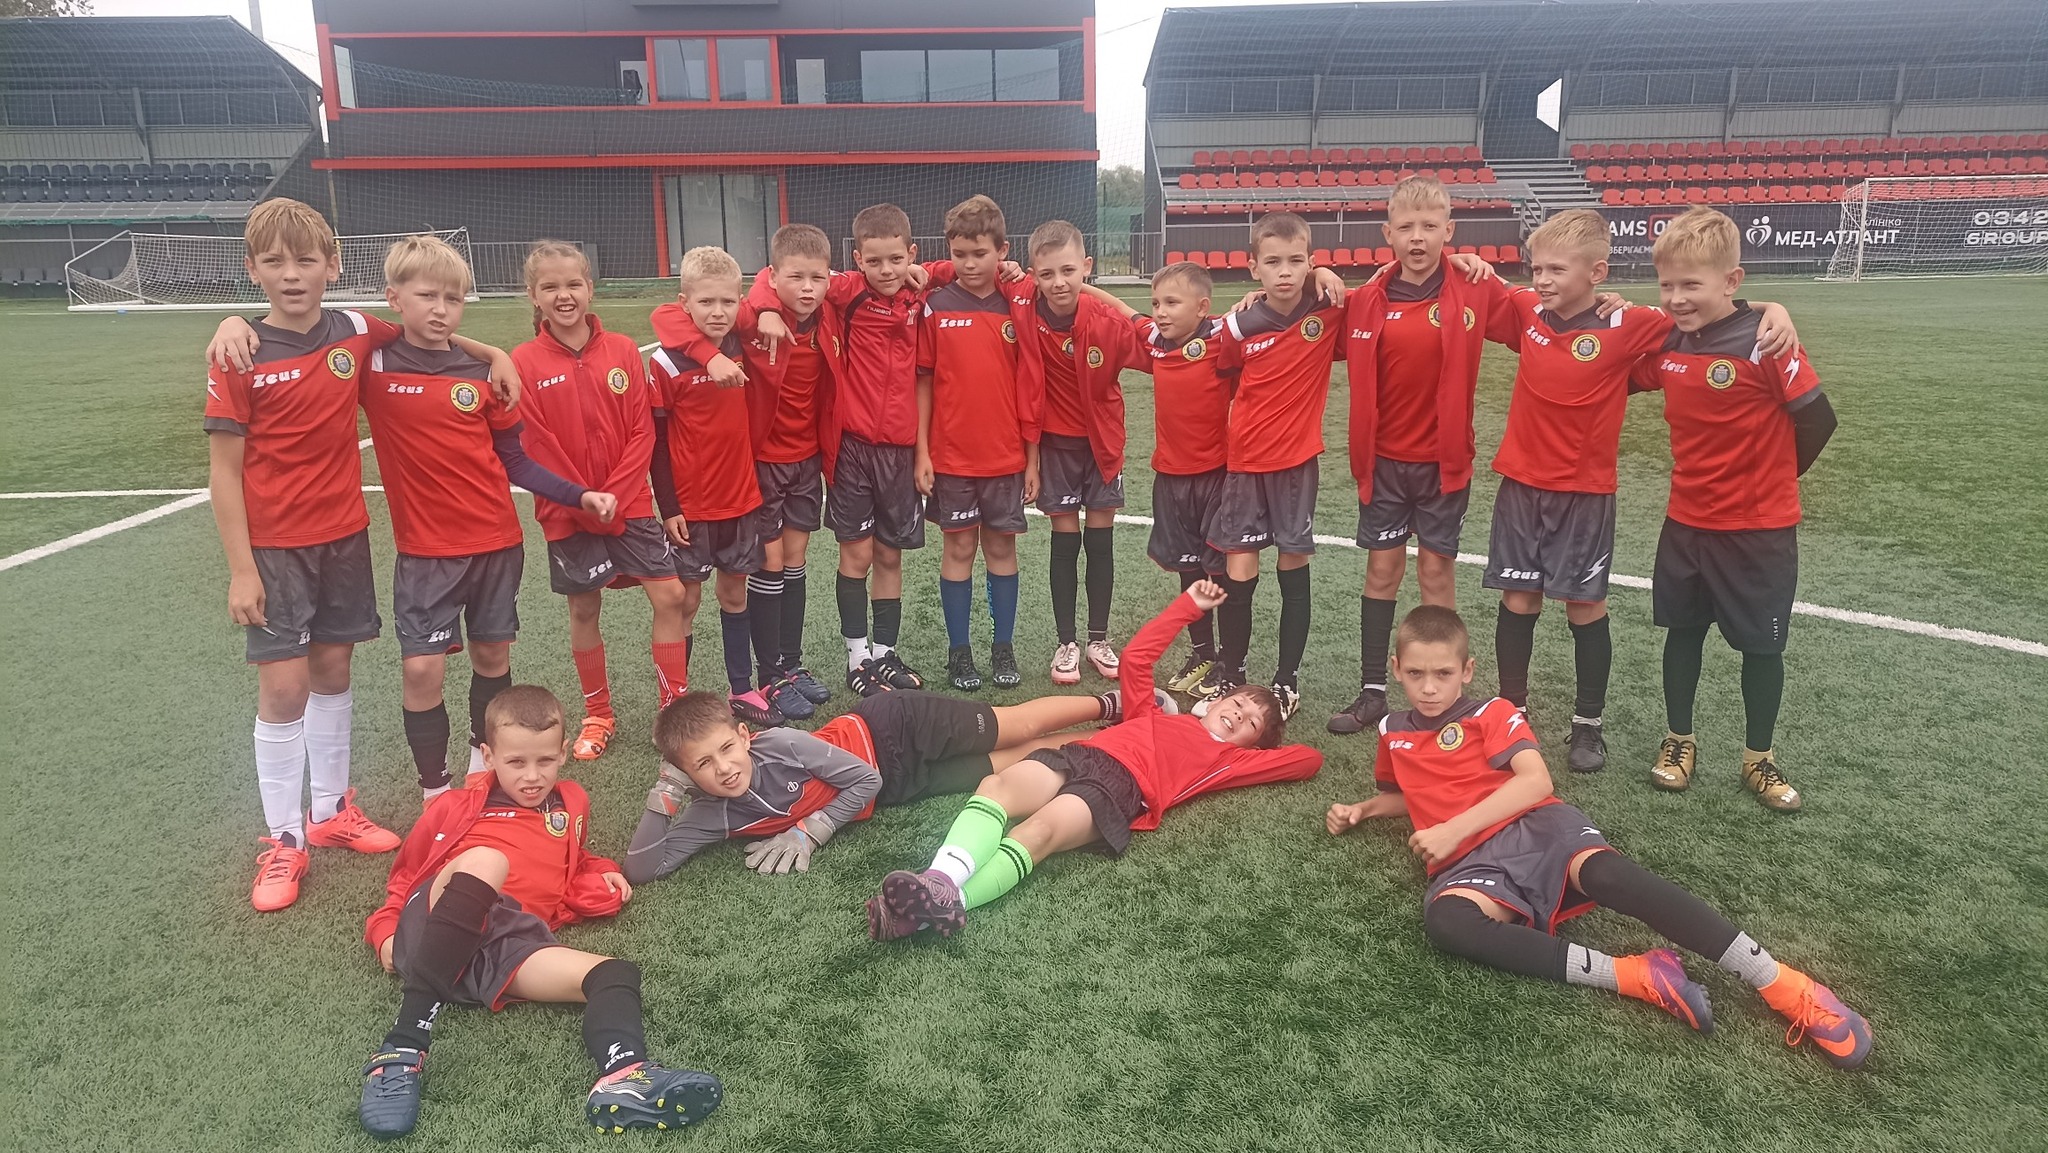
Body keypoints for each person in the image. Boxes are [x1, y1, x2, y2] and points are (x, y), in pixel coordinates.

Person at [1325, 605, 1871, 1069]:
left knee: (1610, 875)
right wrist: (1365, 809)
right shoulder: (1391, 731)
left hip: (1534, 826)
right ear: (1395, 669)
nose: (1428, 687)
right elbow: (1412, 795)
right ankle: (1636, 975)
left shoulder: (1491, 712)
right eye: (1416, 673)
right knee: (1446, 922)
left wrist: (1452, 829)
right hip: (1470, 862)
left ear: (1467, 671)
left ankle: (1781, 982)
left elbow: (1535, 781)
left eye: (1442, 673)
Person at [1482, 208, 1798, 772]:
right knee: (1518, 599)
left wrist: (1772, 308)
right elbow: (1471, 292)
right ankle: (1512, 713)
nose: (1543, 279)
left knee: (1585, 605)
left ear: (1597, 272)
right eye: (1537, 268)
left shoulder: (1633, 323)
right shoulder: (1526, 309)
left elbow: (1708, 317)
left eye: (1557, 269)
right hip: (1520, 485)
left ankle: (1587, 725)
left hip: (1585, 491)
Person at [357, 685, 722, 1139]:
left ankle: (625, 1075)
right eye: (516, 762)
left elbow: (573, 858)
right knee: (487, 861)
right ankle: (401, 1050)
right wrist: (386, 933)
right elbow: (405, 879)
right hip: (435, 925)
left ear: (563, 752)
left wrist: (602, 871)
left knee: (613, 973)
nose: (532, 776)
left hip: (503, 944)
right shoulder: (452, 806)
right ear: (488, 756)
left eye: (545, 761)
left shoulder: (571, 803)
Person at [869, 580, 1324, 940]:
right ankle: (937, 882)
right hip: (1081, 755)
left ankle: (945, 906)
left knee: (1039, 832)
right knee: (996, 787)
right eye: (1238, 703)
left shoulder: (1228, 761)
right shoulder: (1153, 714)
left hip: (1119, 788)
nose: (1239, 715)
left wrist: (1264, 741)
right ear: (1219, 698)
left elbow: (1308, 760)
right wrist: (1188, 606)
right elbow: (1137, 660)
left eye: (1251, 723)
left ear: (1252, 745)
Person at [203, 198, 406, 911]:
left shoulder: (355, 329)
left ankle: (330, 811)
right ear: (252, 269)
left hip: (343, 535)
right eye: (275, 262)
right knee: (284, 689)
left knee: (333, 669)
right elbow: (223, 472)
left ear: (333, 265)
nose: (292, 274)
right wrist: (241, 569)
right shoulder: (239, 353)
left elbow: (423, 324)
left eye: (306, 260)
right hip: (274, 550)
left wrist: (493, 354)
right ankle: (284, 839)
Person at [362, 235, 615, 800]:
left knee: (492, 656)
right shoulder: (371, 362)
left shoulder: (484, 375)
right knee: (422, 670)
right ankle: (434, 790)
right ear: (394, 298)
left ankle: (483, 770)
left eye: (453, 299)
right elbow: (317, 330)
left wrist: (578, 495)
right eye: (427, 296)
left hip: (497, 542)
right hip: (426, 552)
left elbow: (515, 461)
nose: (440, 310)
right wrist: (237, 323)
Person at [1631, 207, 1837, 809]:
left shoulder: (1766, 340)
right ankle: (1679, 741)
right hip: (1686, 521)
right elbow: (1620, 365)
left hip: (1758, 529)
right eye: (1667, 284)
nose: (1676, 298)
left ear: (1731, 281)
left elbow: (1818, 420)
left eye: (1691, 285)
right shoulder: (1668, 337)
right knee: (1683, 632)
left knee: (1762, 647)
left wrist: (1771, 479)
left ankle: (1758, 759)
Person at [1326, 176, 1524, 737]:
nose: (1418, 237)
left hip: (1444, 464)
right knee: (1382, 570)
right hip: (1383, 464)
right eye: (1406, 227)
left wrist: (1603, 304)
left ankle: (1448, 697)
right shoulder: (1365, 300)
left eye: (1430, 227)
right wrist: (1316, 274)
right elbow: (1303, 321)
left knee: (1436, 572)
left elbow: (1539, 318)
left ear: (1449, 231)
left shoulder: (1476, 290)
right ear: (1387, 233)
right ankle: (1372, 691)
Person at [623, 682, 1144, 882]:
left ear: (744, 735)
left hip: (894, 726)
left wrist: (810, 831)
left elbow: (863, 778)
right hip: (897, 788)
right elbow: (644, 867)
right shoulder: (711, 813)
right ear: (686, 774)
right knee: (1012, 759)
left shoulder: (778, 742)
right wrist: (665, 793)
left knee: (1021, 724)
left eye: (727, 749)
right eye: (702, 765)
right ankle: (1117, 737)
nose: (723, 769)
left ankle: (1112, 704)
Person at [652, 223, 859, 721]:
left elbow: (879, 274)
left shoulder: (829, 310)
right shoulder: (747, 324)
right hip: (759, 464)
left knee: (793, 562)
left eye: (817, 278)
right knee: (763, 567)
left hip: (807, 460)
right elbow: (668, 316)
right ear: (771, 276)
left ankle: (788, 666)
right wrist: (758, 313)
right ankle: (764, 677)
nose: (807, 288)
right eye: (795, 278)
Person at [511, 240, 690, 760]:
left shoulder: (622, 351)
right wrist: (582, 498)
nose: (563, 295)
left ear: (590, 288)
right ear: (534, 296)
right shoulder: (523, 361)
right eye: (550, 287)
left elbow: (642, 430)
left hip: (628, 500)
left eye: (573, 284)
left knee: (670, 596)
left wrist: (615, 492)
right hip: (566, 509)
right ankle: (599, 714)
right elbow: (535, 444)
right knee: (585, 606)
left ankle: (674, 710)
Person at [1196, 212, 1348, 720]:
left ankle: (1287, 682)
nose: (1285, 271)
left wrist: (1323, 273)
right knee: (1239, 571)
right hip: (1244, 464)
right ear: (1253, 268)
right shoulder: (1238, 324)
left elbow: (1371, 296)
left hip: (1296, 465)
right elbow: (1227, 374)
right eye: (1273, 262)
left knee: (1293, 568)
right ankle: (1232, 674)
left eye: (1296, 261)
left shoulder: (1328, 309)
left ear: (1310, 261)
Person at [1076, 262, 1238, 694]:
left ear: (1202, 307)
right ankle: (1202, 652)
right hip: (1170, 477)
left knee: (1219, 572)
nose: (1161, 312)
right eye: (1156, 303)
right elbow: (1122, 310)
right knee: (1187, 569)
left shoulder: (1223, 336)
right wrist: (1080, 286)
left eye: (1171, 303)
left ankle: (1228, 660)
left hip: (1217, 477)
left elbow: (1260, 314)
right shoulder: (1154, 340)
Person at [647, 245, 782, 728]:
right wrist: (670, 506)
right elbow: (657, 442)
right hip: (692, 508)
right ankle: (675, 700)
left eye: (727, 301)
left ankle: (741, 688)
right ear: (685, 303)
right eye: (705, 302)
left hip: (741, 500)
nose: (717, 312)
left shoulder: (742, 343)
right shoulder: (665, 364)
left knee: (734, 594)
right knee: (686, 601)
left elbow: (767, 291)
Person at [916, 194, 1037, 692]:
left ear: (1002, 251)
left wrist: (1032, 459)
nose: (969, 264)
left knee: (1002, 549)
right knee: (959, 547)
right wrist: (922, 452)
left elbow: (1031, 385)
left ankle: (1002, 646)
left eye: (980, 254)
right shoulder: (936, 305)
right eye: (959, 254)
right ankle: (959, 652)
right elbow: (924, 381)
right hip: (951, 458)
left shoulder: (1018, 304)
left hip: (1006, 456)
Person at [1017, 220, 1143, 685]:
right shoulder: (1024, 311)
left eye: (1069, 271)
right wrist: (1031, 461)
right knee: (1065, 544)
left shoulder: (1105, 321)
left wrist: (1110, 303)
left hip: (1101, 447)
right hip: (1056, 449)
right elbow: (974, 265)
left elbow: (1152, 341)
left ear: (1086, 267)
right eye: (1047, 274)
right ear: (1033, 274)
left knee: (1101, 543)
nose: (1059, 283)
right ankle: (1066, 643)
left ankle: (1098, 640)